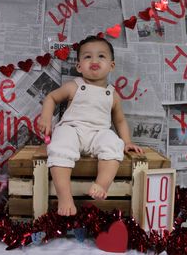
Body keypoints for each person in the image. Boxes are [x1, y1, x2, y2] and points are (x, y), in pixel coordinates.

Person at [38, 35, 143, 216]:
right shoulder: (74, 86)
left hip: (98, 133)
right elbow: (51, 98)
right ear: (79, 66)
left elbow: (119, 120)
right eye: (87, 57)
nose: (94, 60)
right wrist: (46, 118)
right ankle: (64, 196)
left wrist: (126, 141)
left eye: (101, 56)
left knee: (113, 143)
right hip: (73, 129)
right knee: (60, 144)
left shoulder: (112, 94)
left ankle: (101, 184)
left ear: (112, 65)